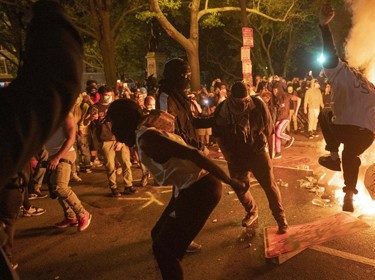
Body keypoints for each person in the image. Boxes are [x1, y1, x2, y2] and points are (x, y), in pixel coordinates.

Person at [106, 99, 244, 280]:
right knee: (157, 235)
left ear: (124, 120)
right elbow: (179, 165)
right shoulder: (144, 134)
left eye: (114, 123)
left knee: (165, 251)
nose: (113, 130)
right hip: (189, 187)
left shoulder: (148, 139)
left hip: (201, 188)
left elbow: (193, 154)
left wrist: (231, 181)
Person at [0, 0, 83, 277]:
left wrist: (59, 155)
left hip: (61, 154)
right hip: (42, 156)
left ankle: (80, 214)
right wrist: (49, 11)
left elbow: (70, 133)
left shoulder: (68, 116)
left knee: (59, 187)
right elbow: (57, 79)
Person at [317, 3, 375, 212]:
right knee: (352, 157)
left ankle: (332, 156)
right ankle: (348, 195)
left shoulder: (340, 71)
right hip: (365, 135)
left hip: (344, 128)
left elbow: (329, 52)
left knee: (324, 112)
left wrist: (323, 26)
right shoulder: (371, 86)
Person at [213, 81, 289, 234]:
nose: (242, 104)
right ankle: (252, 210)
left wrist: (266, 148)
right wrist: (228, 155)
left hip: (257, 152)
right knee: (240, 187)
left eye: (244, 100)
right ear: (230, 97)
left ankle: (281, 219)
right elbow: (218, 135)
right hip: (236, 156)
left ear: (248, 95)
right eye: (237, 102)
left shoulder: (257, 104)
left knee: (270, 186)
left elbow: (268, 128)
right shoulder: (222, 109)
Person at [46, 113, 92, 231]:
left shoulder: (65, 115)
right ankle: (71, 217)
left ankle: (83, 214)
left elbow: (72, 138)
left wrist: (57, 157)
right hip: (52, 156)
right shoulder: (46, 115)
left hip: (64, 154)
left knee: (60, 187)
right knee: (55, 188)